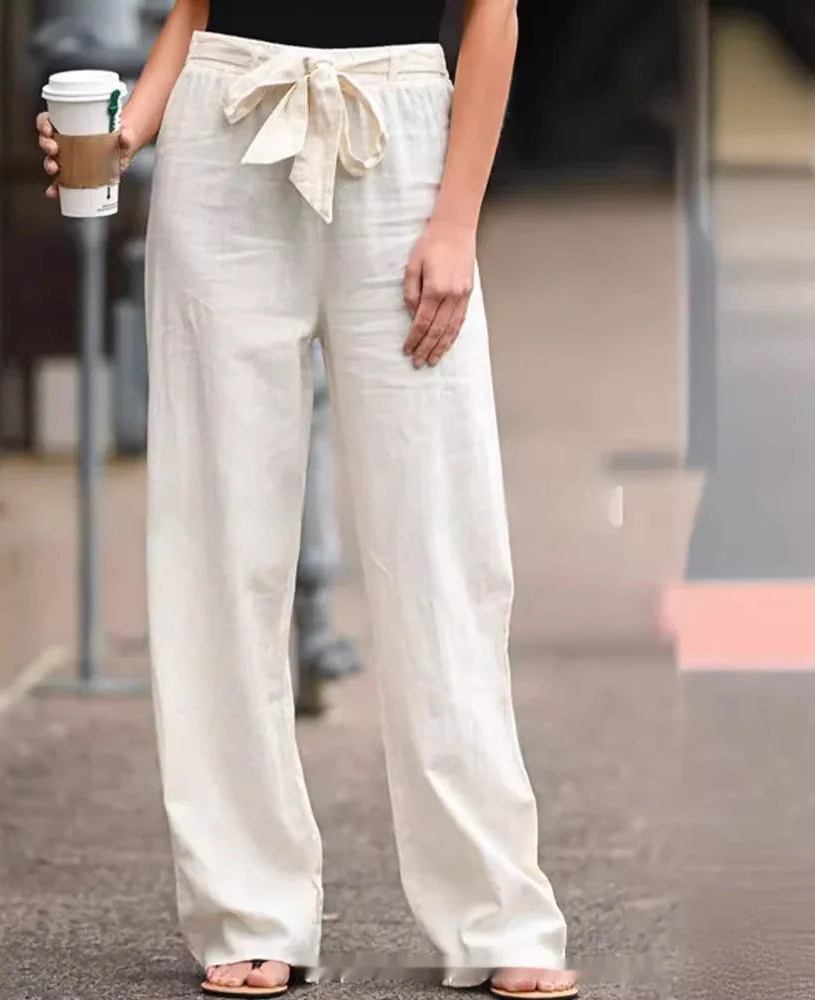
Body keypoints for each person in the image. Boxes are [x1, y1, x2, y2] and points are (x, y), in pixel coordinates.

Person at [37, 2, 579, 997]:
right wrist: (127, 129)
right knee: (218, 540)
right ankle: (249, 906)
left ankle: (497, 910)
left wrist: (456, 220)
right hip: (223, 131)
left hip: (401, 136)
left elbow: (493, 15)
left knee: (441, 545)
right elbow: (195, 8)